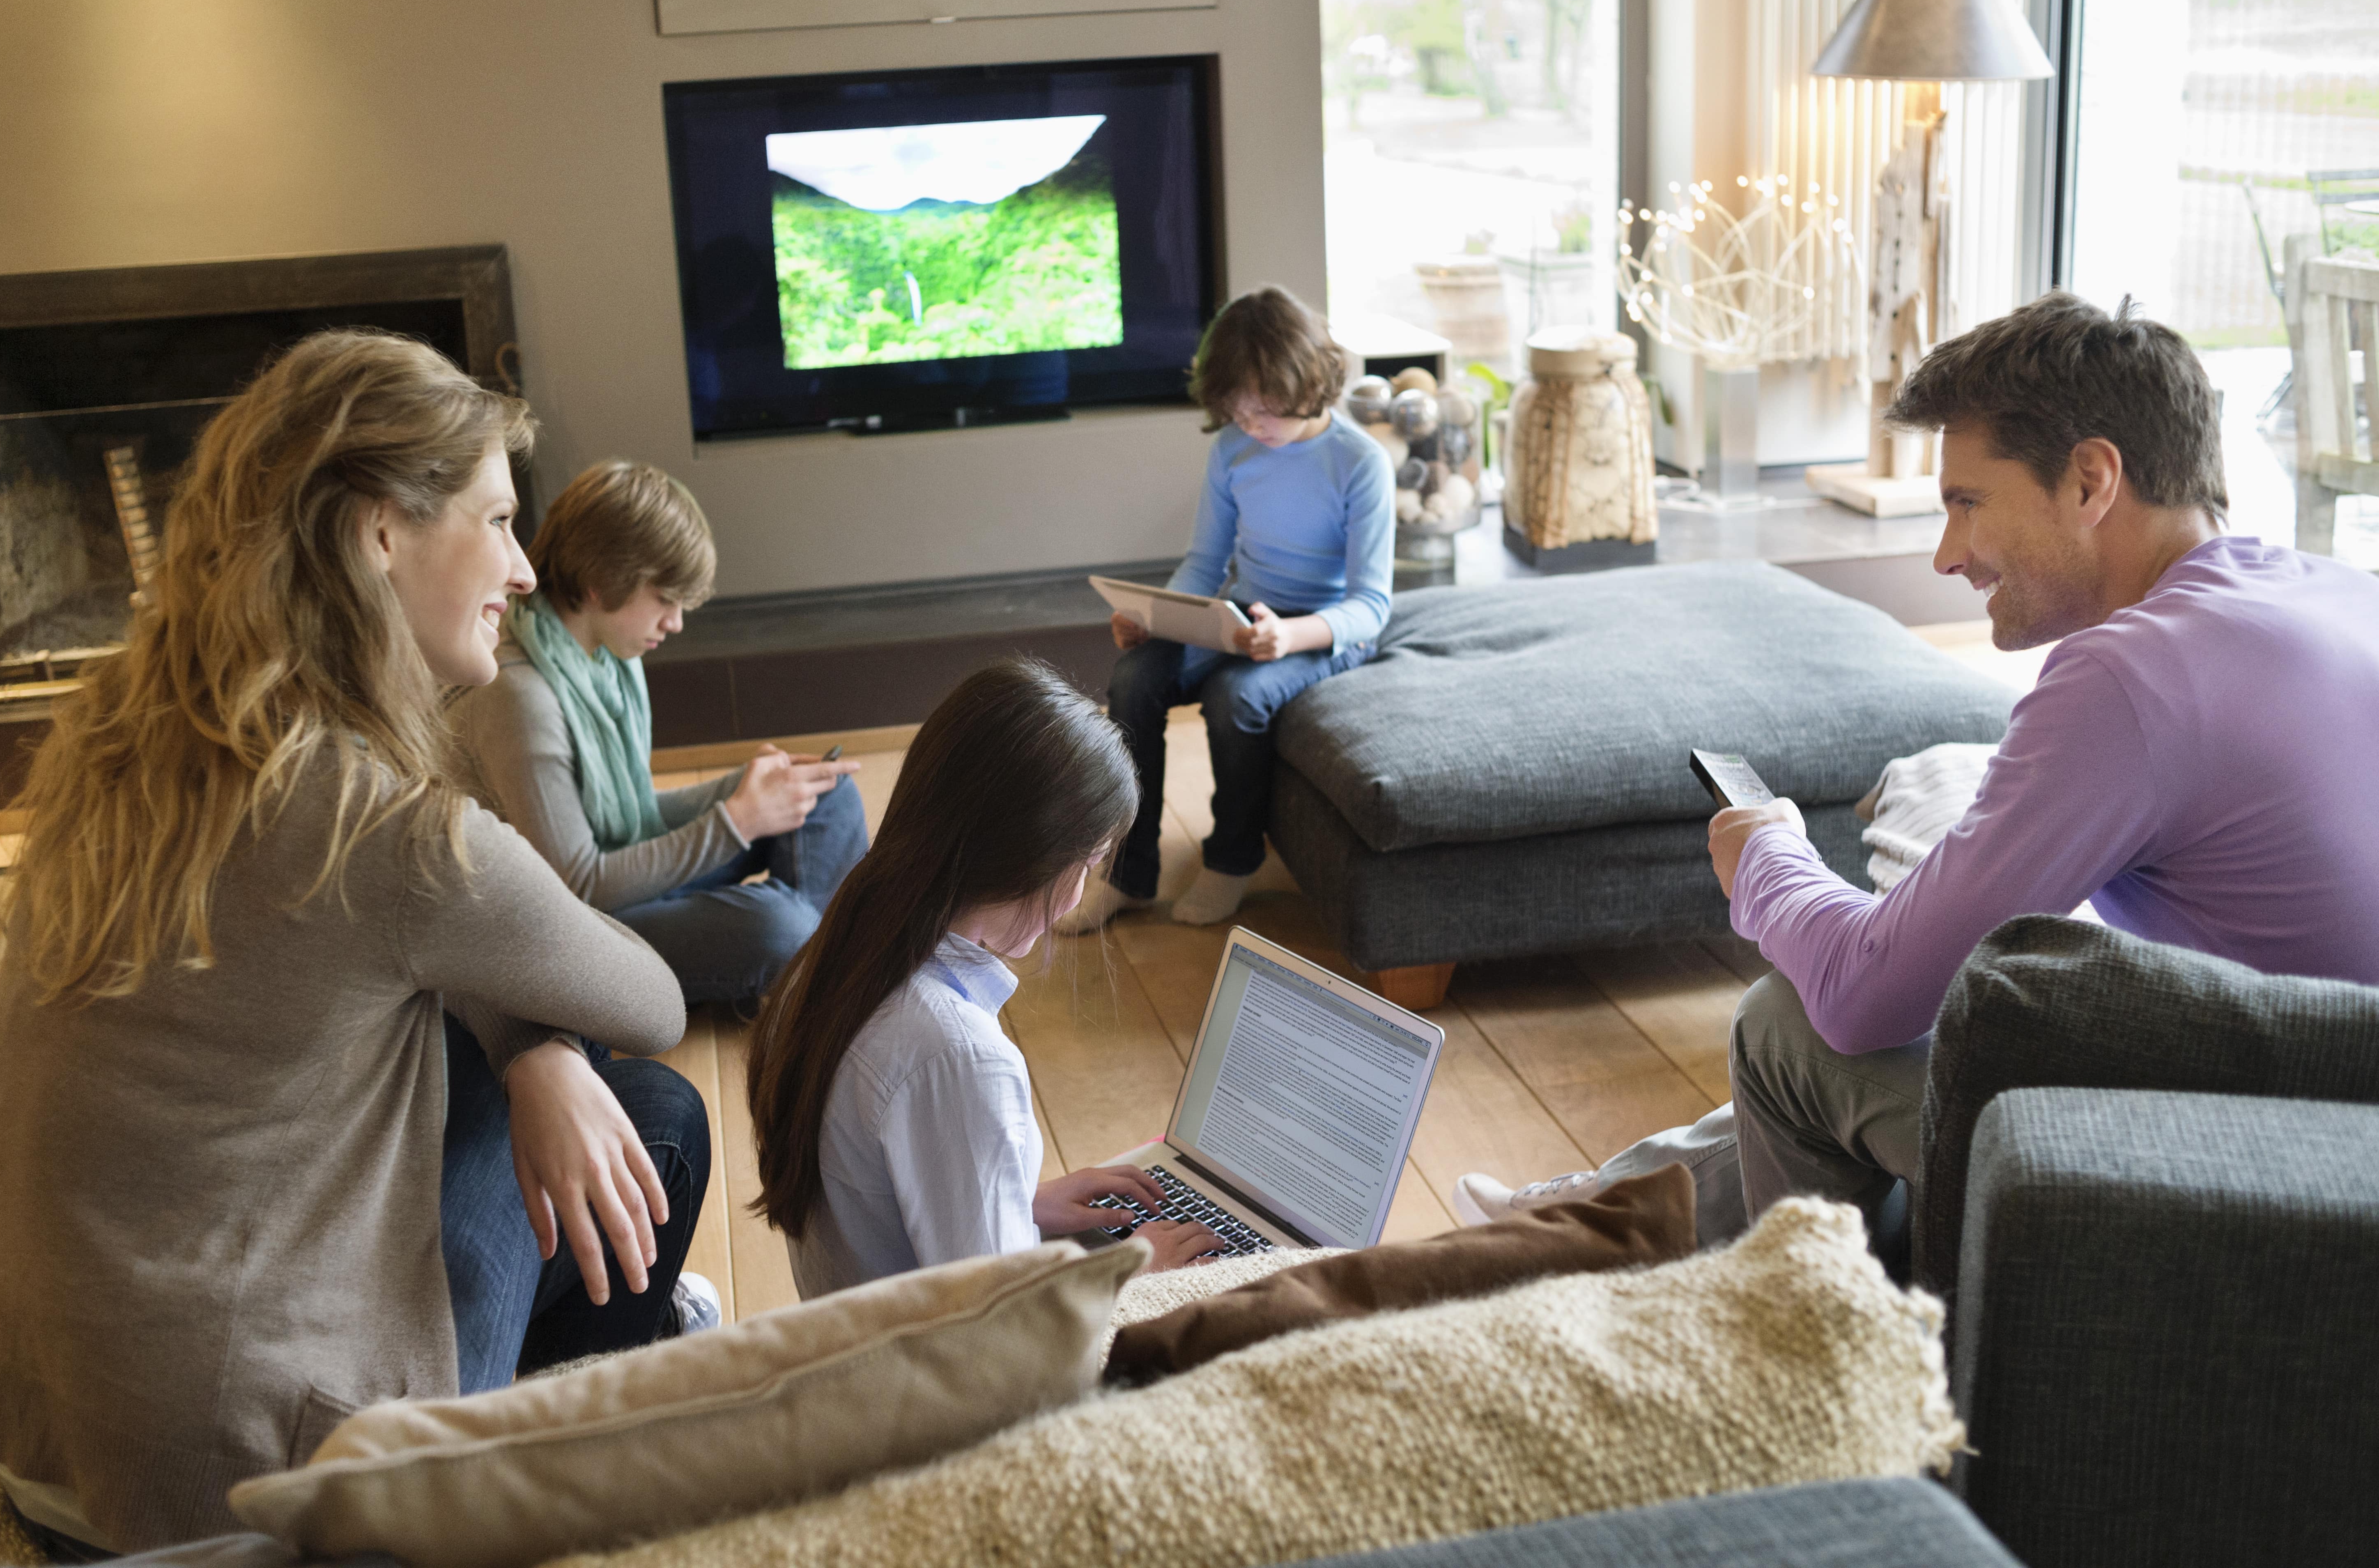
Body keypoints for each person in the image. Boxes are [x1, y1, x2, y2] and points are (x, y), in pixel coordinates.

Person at [0, 333, 713, 1555]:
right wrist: (551, 1049)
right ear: (379, 533)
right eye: (497, 520)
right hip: (236, 1491)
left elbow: (442, 945)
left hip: (48, 1436)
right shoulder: (391, 830)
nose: (519, 564)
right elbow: (649, 997)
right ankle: (526, 1506)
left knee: (502, 1060)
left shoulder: (118, 746)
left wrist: (524, 1048)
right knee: (655, 1108)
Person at [1452, 292, 2379, 1243]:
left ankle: (1816, 1340)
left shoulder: (2129, 676)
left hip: (2269, 1159)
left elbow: (1865, 1002)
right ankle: (1589, 1221)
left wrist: (1770, 858)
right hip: (2333, 1099)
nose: (1947, 555)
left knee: (1795, 1028)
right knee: (1940, 916)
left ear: (2093, 480)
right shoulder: (2336, 589)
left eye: (1967, 502)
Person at [747, 657, 1224, 1297]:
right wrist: (1134, 1275)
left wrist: (1016, 1202)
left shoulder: (834, 957)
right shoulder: (958, 1055)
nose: (1081, 890)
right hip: (939, 1386)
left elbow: (896, 1201)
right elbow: (1003, 1340)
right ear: (1032, 855)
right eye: (1088, 862)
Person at [451, 460, 867, 1016]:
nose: (675, 624)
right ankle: (827, 978)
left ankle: (820, 979)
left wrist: (749, 789)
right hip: (568, 930)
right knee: (782, 926)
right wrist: (740, 818)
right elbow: (577, 884)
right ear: (602, 583)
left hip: (612, 882)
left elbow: (631, 816)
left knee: (827, 795)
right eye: (666, 600)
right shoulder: (520, 696)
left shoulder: (599, 652)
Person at [1058, 286, 1395, 934]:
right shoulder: (1233, 452)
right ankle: (1129, 872)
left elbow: (1371, 603)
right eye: (1237, 412)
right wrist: (1157, 617)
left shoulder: (1360, 464)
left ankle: (1232, 860)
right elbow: (1207, 564)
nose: (1251, 425)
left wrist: (1292, 635)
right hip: (1248, 609)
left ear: (1308, 379)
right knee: (1134, 679)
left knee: (1236, 697)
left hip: (1325, 627)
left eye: (1263, 408)